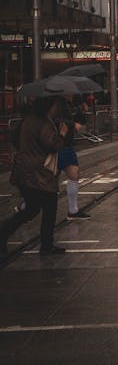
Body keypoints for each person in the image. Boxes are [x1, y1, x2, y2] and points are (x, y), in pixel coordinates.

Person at [0, 97, 68, 256]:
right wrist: (62, 134)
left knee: (31, 209)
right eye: (56, 104)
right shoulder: (42, 122)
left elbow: (18, 141)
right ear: (51, 105)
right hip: (39, 173)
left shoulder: (27, 120)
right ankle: (46, 245)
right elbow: (52, 144)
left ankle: (4, 234)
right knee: (49, 207)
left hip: (25, 170)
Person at [58, 98, 90, 220]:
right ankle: (27, 206)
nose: (73, 94)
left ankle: (73, 210)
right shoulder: (55, 104)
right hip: (57, 145)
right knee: (48, 182)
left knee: (74, 174)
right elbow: (55, 120)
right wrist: (73, 124)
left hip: (67, 146)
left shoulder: (66, 103)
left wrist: (80, 113)